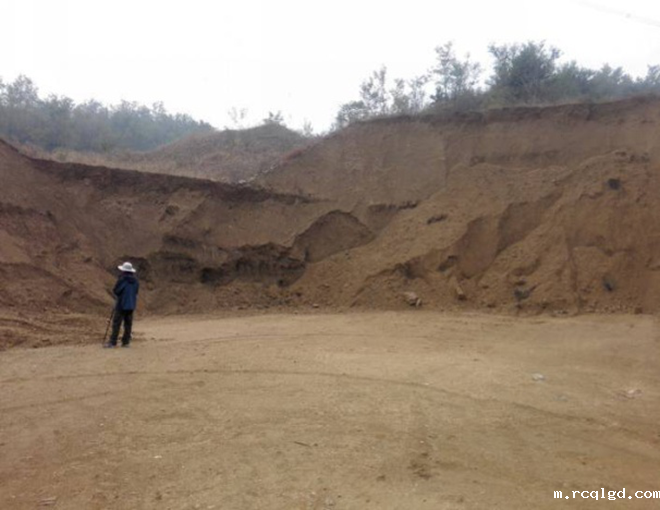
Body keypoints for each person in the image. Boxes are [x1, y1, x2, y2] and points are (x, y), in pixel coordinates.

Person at [104, 261, 140, 348]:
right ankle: (126, 342)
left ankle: (113, 342)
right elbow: (136, 292)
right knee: (128, 324)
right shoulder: (136, 281)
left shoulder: (122, 280)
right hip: (131, 304)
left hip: (121, 304)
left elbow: (116, 291)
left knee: (116, 323)